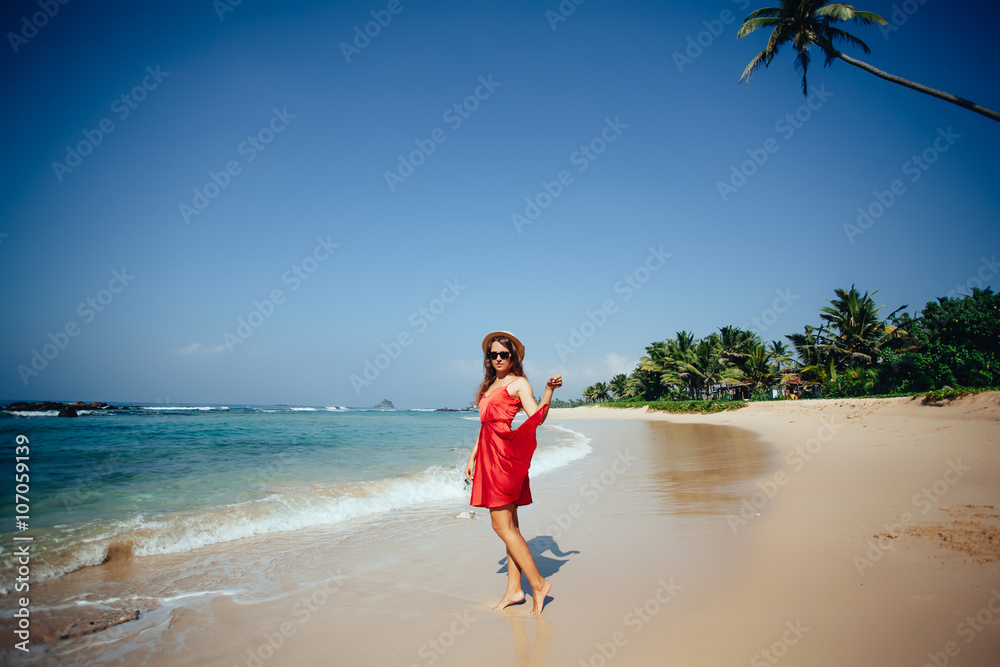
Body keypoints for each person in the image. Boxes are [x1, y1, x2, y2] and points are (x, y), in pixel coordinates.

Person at [465, 331, 562, 615]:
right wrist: (472, 458)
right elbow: (485, 427)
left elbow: (537, 418)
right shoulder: (488, 386)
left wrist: (548, 391)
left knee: (501, 527)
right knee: (512, 529)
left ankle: (539, 584)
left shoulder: (519, 383)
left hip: (504, 459)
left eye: (503, 354)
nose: (497, 358)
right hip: (487, 456)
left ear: (513, 357)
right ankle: (514, 590)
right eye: (492, 354)